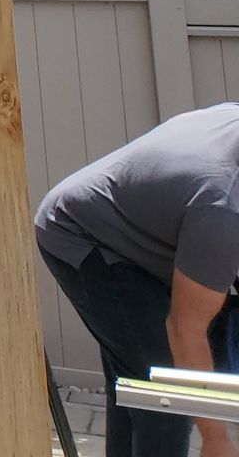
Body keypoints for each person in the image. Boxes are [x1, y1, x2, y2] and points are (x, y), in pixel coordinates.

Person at [36, 103, 239, 457]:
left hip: (145, 232)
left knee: (136, 382)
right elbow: (185, 328)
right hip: (86, 238)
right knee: (166, 393)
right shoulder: (222, 206)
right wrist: (215, 437)